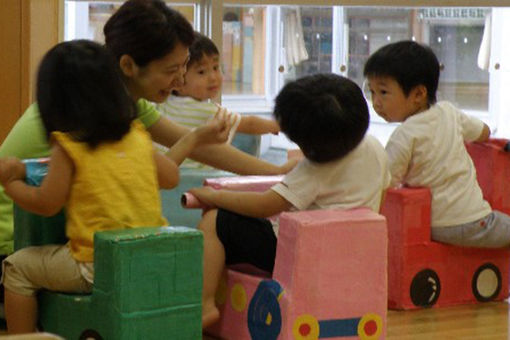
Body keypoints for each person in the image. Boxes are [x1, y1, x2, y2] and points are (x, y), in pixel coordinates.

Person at [0, 0, 296, 276]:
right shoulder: (90, 112)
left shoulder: (121, 106)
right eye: (172, 70)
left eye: (184, 66)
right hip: (18, 233)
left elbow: (200, 147)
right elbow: (187, 153)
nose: (181, 79)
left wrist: (277, 173)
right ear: (128, 66)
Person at [0, 39, 231, 334]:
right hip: (148, 258)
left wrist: (11, 183)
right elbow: (170, 177)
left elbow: (46, 203)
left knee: (18, 268)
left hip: (96, 265)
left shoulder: (68, 145)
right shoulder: (135, 134)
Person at [188, 73, 391, 327]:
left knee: (215, 222)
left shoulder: (314, 169)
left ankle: (205, 304)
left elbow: (264, 206)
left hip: (298, 253)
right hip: (351, 255)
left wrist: (215, 197)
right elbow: (381, 195)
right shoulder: (375, 148)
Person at [363, 40, 510, 249]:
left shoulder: (404, 135)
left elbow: (385, 180)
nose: (376, 102)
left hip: (432, 226)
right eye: (372, 92)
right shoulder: (449, 113)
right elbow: (483, 132)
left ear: (418, 94)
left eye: (383, 92)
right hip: (474, 221)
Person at [156, 31, 280, 168]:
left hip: (165, 175)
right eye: (201, 72)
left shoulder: (161, 104)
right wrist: (275, 125)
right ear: (178, 81)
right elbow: (250, 124)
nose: (213, 77)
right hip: (196, 178)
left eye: (216, 68)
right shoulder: (209, 112)